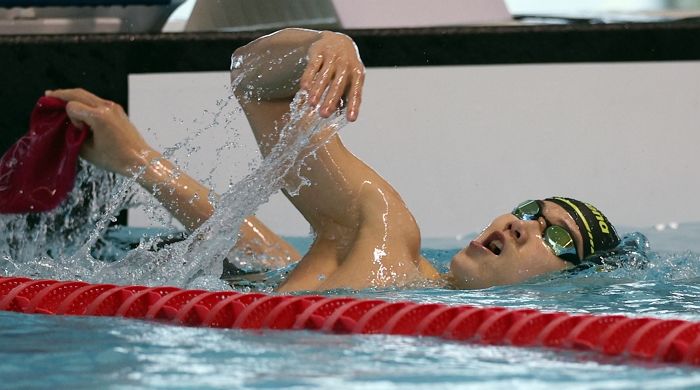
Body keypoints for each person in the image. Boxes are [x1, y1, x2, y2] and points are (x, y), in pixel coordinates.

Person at [45, 28, 621, 292]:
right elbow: (254, 80)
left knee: (268, 260)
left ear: (576, 284)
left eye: (558, 238)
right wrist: (327, 45)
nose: (521, 224)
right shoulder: (386, 234)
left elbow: (265, 256)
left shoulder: (395, 273)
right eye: (529, 209)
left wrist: (141, 161)